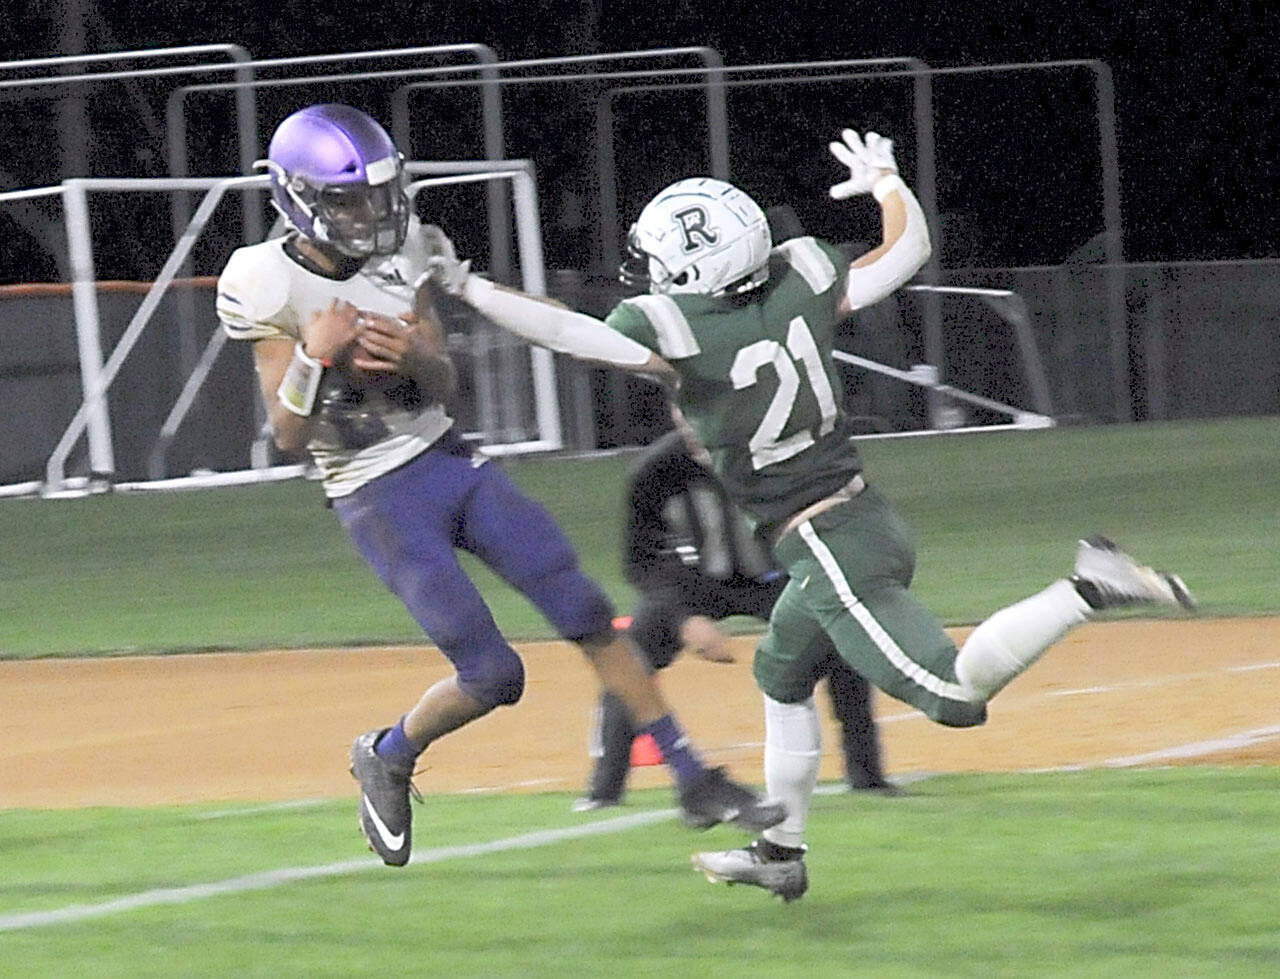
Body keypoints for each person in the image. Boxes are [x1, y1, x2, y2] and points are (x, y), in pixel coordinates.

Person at [425, 126, 1196, 900]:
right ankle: (780, 850)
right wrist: (888, 182)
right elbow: (904, 253)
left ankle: (1086, 584)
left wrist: (467, 284)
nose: (653, 275)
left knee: (956, 697)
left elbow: (565, 331)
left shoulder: (679, 328)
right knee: (782, 671)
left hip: (824, 540)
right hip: (859, 514)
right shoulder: (801, 271)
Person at [214, 103, 785, 868]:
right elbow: (287, 436)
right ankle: (386, 753)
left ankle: (692, 777)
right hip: (373, 492)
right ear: (300, 199)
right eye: (350, 199)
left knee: (583, 607)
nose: (373, 213)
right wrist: (318, 357)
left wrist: (415, 356)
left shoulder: (408, 249)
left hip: (446, 456)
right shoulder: (261, 279)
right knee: (493, 674)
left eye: (381, 194)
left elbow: (447, 380)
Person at [574, 424, 895, 811]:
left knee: (839, 635)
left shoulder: (776, 458)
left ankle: (867, 775)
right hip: (691, 583)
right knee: (629, 654)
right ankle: (604, 790)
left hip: (774, 574)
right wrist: (683, 617)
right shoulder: (655, 470)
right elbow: (639, 562)